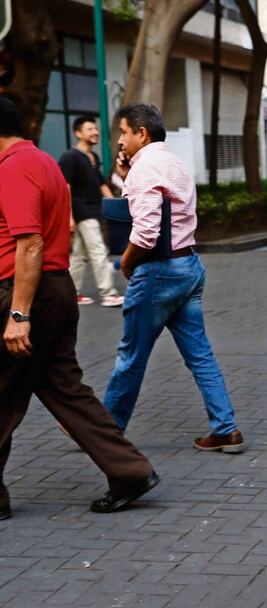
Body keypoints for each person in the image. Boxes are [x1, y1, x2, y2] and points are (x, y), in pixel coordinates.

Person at [0, 95, 159, 518]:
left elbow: (30, 243)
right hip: (56, 290)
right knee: (66, 392)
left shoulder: (14, 168)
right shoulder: (42, 161)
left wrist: (18, 315)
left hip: (26, 293)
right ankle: (130, 471)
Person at [102, 103, 244, 454]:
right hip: (188, 267)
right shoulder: (173, 163)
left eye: (123, 132)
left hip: (158, 272)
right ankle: (226, 429)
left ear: (141, 133)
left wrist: (125, 263)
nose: (121, 139)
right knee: (200, 355)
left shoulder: (145, 169)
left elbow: (147, 231)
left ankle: (103, 431)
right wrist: (125, 172)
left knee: (130, 356)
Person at [59, 116, 124, 308]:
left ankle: (72, 294)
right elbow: (66, 188)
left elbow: (101, 185)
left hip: (92, 211)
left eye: (95, 129)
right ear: (78, 133)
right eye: (90, 129)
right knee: (98, 250)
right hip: (82, 211)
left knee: (78, 256)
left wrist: (117, 207)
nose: (95, 132)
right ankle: (108, 293)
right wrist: (68, 216)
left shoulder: (93, 158)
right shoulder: (70, 157)